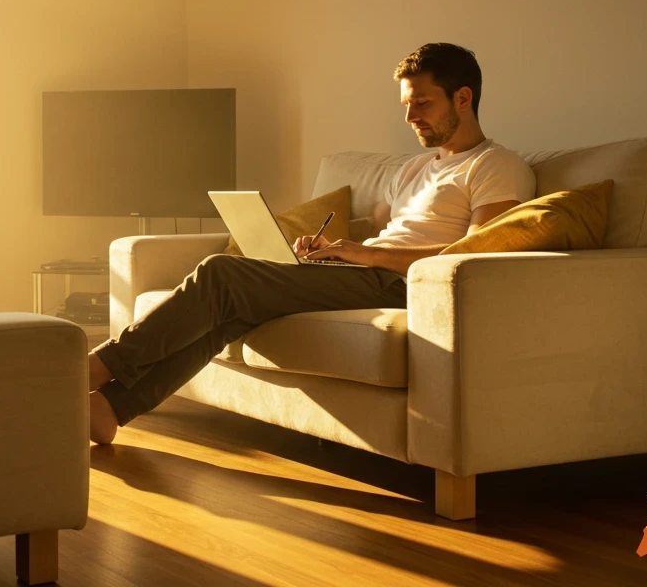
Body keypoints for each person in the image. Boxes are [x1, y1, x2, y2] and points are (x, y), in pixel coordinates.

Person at [87, 42, 536, 444]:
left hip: (408, 286)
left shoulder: (497, 165)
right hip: (364, 272)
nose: (410, 116)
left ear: (463, 98)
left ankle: (98, 366)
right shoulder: (415, 169)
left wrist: (362, 254)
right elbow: (395, 231)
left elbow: (476, 252)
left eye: (422, 102)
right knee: (231, 313)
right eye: (406, 103)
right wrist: (330, 248)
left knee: (220, 273)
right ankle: (112, 408)